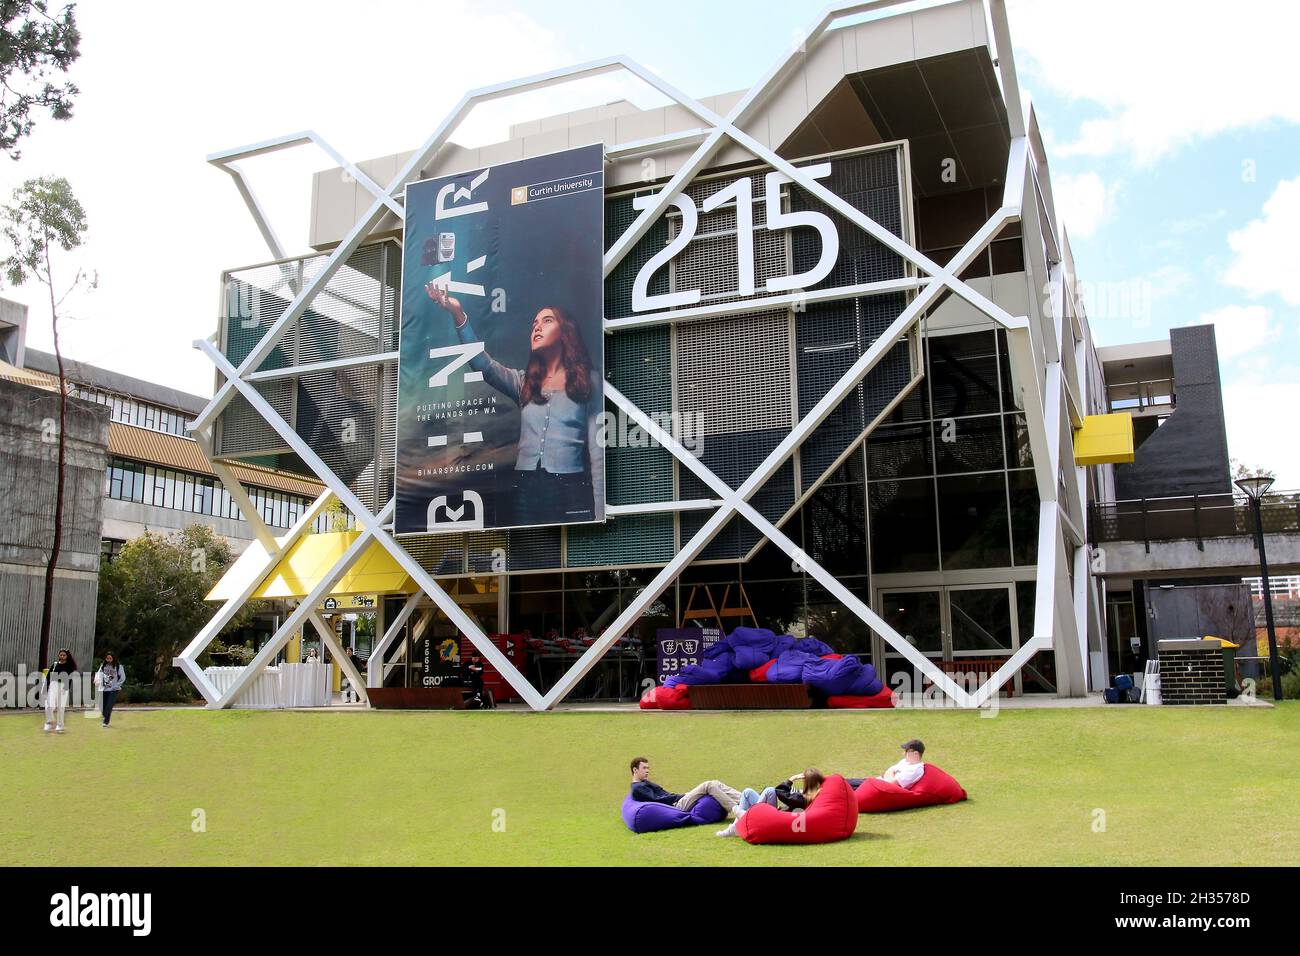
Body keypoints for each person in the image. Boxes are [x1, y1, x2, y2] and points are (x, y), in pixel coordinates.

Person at [427, 284, 604, 525]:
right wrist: (457, 313)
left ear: (565, 332)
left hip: (570, 489)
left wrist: (599, 508)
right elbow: (482, 364)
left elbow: (597, 450)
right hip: (525, 487)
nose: (537, 327)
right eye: (534, 324)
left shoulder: (589, 381)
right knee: (529, 554)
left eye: (547, 321)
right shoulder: (524, 382)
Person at [716, 768, 825, 837]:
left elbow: (780, 792)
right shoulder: (810, 796)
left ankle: (746, 817)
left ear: (807, 782)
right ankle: (736, 826)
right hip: (777, 813)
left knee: (770, 790)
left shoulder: (801, 799)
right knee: (747, 792)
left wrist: (792, 779)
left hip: (777, 818)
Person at [628, 756, 742, 816]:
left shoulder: (643, 783)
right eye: (644, 768)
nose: (647, 771)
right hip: (676, 806)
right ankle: (736, 810)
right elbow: (658, 800)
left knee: (715, 782)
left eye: (648, 768)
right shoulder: (638, 788)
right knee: (708, 785)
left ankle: (745, 799)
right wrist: (681, 796)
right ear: (635, 770)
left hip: (677, 801)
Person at [43, 648, 78, 734]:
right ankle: (49, 722)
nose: (62, 656)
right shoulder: (55, 665)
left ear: (67, 656)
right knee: (49, 705)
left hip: (63, 687)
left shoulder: (69, 666)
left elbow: (69, 679)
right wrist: (46, 687)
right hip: (53, 686)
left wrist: (66, 688)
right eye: (61, 655)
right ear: (58, 655)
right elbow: (48, 677)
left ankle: (60, 725)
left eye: (64, 655)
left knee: (61, 707)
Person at [97, 652, 126, 728]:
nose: (109, 660)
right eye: (107, 658)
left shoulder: (118, 667)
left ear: (113, 658)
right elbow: (99, 675)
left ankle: (106, 722)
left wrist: (116, 686)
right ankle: (105, 716)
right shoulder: (103, 666)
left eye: (110, 658)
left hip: (113, 689)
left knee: (109, 706)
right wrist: (98, 681)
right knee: (102, 706)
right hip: (104, 689)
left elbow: (122, 678)